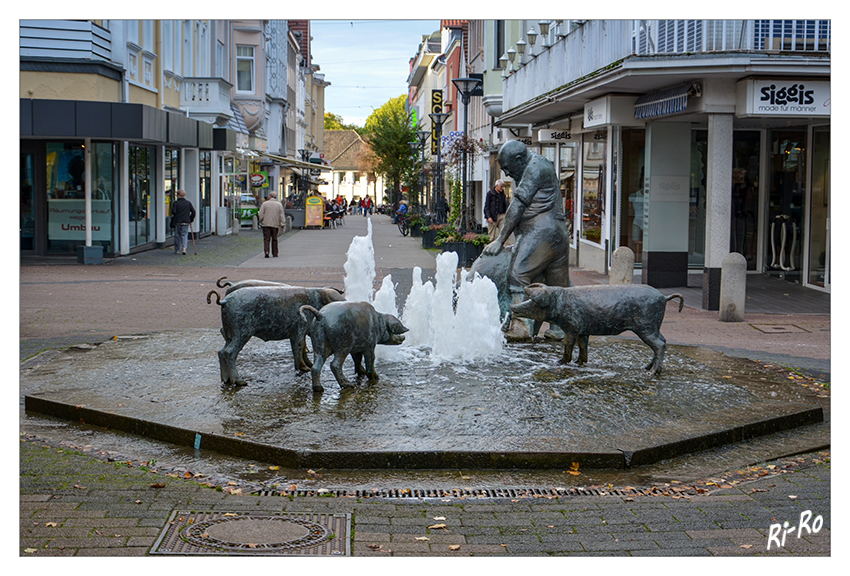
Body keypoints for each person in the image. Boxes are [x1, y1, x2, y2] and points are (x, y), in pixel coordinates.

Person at [483, 140, 571, 317]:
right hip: (556, 235)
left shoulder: (535, 168)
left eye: (508, 167)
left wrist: (500, 240)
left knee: (517, 274)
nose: (506, 173)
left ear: (519, 159)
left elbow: (517, 206)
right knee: (557, 286)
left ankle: (521, 325)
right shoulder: (536, 165)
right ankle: (559, 330)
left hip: (543, 232)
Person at [257, 191, 286, 258]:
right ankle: (275, 253)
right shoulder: (279, 205)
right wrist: (282, 224)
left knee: (266, 239)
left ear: (270, 196)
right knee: (274, 238)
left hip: (266, 224)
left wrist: (261, 220)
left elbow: (261, 214)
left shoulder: (265, 204)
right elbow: (281, 215)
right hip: (275, 224)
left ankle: (267, 251)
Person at [170, 189, 196, 255]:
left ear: (178, 195)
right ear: (184, 195)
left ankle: (177, 249)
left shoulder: (176, 203)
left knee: (177, 235)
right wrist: (190, 219)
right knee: (184, 235)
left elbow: (174, 212)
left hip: (178, 221)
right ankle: (184, 248)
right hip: (186, 221)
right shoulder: (188, 203)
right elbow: (193, 212)